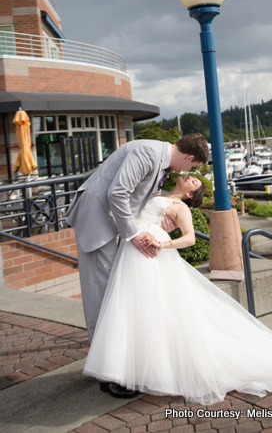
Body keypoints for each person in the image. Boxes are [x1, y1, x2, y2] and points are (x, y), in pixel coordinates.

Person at [83, 175, 272, 405]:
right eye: (192, 178)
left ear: (191, 197)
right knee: (131, 308)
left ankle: (138, 373)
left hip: (151, 255)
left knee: (149, 308)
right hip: (131, 253)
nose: (192, 178)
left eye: (195, 184)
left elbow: (191, 239)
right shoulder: (157, 191)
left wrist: (162, 244)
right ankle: (123, 370)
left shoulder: (179, 207)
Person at [66, 133, 209, 348]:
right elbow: (118, 193)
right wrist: (133, 234)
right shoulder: (148, 153)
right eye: (191, 167)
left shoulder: (158, 157)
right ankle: (103, 367)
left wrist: (159, 218)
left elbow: (139, 196)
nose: (186, 172)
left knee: (112, 291)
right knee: (100, 293)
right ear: (189, 157)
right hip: (99, 222)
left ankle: (113, 357)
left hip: (112, 223)